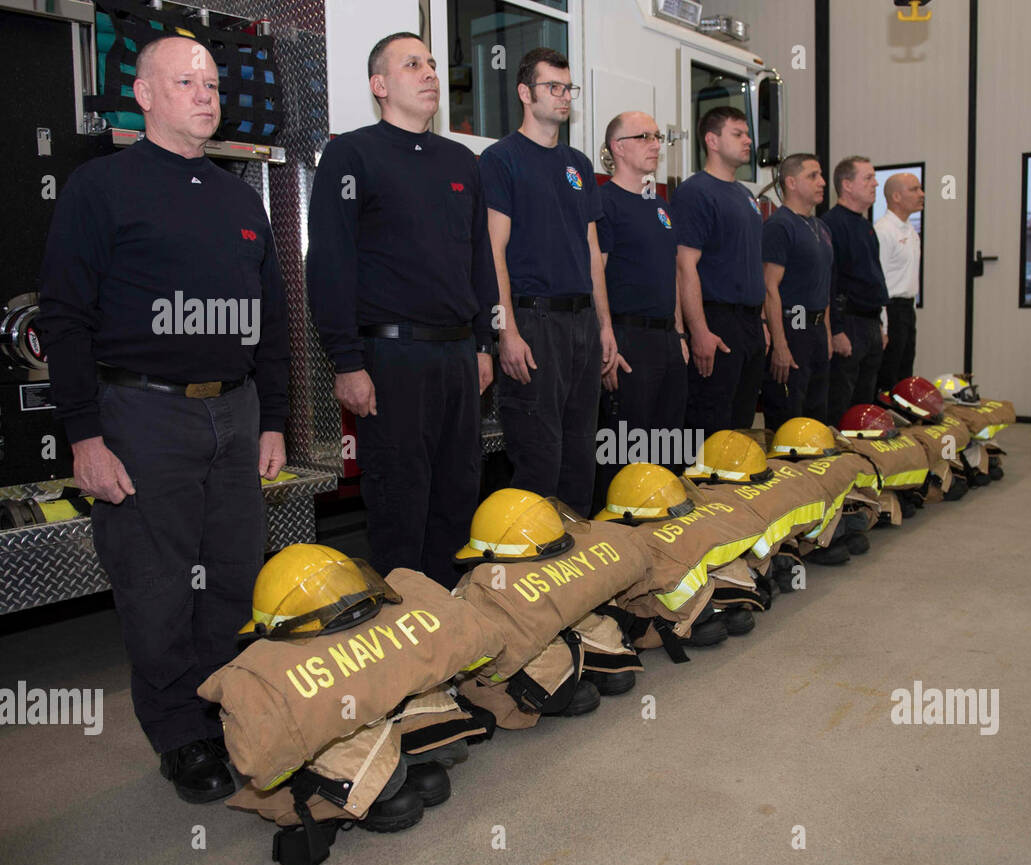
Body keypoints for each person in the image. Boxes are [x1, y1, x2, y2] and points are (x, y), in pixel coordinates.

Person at [36, 35, 289, 803]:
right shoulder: (100, 188)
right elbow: (65, 317)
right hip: (142, 416)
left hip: (235, 416)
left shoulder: (240, 197)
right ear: (144, 95)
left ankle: (223, 713)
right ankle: (181, 736)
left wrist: (274, 420)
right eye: (186, 81)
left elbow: (271, 323)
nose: (206, 94)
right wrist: (84, 434)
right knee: (157, 587)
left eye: (212, 83)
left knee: (232, 581)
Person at [307, 32, 497, 590]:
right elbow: (330, 263)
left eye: (434, 63)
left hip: (460, 355)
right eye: (414, 64)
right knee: (399, 497)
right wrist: (346, 360)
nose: (431, 72)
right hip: (390, 356)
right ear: (380, 85)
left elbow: (479, 261)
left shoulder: (462, 160)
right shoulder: (352, 153)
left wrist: (485, 342)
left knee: (458, 492)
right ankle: (409, 635)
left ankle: (452, 622)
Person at [479, 47, 622, 518]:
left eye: (568, 88)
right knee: (540, 459)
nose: (564, 97)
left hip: (582, 323)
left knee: (581, 459)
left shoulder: (578, 164)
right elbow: (493, 250)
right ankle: (533, 579)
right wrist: (507, 331)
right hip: (533, 322)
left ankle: (579, 575)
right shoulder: (500, 160)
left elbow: (591, 253)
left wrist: (605, 327)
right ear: (525, 92)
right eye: (553, 88)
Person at [593, 110, 688, 504]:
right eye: (644, 136)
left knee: (668, 448)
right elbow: (595, 274)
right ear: (617, 147)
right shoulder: (603, 202)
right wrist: (606, 340)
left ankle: (662, 529)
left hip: (667, 339)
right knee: (625, 450)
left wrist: (680, 334)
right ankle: (620, 530)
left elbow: (673, 275)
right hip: (628, 341)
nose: (655, 144)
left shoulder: (661, 206)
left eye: (657, 136)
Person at [673, 107, 767, 436]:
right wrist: (698, 330)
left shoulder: (746, 195)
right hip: (717, 321)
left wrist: (763, 323)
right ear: (712, 140)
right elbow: (685, 266)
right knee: (709, 421)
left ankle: (732, 487)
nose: (748, 140)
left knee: (741, 424)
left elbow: (753, 265)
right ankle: (703, 488)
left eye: (747, 133)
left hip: (750, 323)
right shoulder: (695, 192)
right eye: (738, 134)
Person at [759, 154, 836, 432]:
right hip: (793, 326)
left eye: (821, 175)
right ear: (791, 182)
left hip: (815, 329)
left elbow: (823, 284)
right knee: (789, 416)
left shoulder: (821, 227)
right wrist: (780, 343)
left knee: (816, 417)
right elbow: (769, 287)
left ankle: (815, 473)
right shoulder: (780, 226)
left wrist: (826, 332)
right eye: (813, 176)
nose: (822, 182)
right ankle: (788, 473)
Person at [824, 156, 890, 425]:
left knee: (865, 403)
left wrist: (881, 326)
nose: (875, 184)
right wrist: (836, 330)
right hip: (848, 325)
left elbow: (874, 278)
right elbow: (831, 282)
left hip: (870, 324)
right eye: (868, 178)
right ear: (847, 185)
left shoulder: (865, 226)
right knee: (841, 400)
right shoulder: (832, 224)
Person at [875, 172, 924, 392]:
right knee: (888, 373)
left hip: (906, 309)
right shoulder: (883, 231)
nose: (921, 194)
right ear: (896, 196)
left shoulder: (911, 231)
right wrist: (883, 326)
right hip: (890, 310)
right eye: (914, 189)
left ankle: (904, 421)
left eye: (920, 189)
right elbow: (879, 280)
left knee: (905, 371)